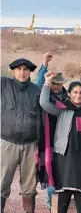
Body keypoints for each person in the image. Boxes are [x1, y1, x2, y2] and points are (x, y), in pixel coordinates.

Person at [40, 72, 81, 213]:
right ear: (69, 94)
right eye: (75, 92)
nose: (78, 95)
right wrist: (46, 83)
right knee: (64, 195)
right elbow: (44, 103)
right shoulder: (62, 109)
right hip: (64, 156)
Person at [1, 58, 41, 213]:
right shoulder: (3, 84)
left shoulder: (37, 90)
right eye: (19, 69)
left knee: (30, 186)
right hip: (7, 143)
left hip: (31, 145)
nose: (22, 72)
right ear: (13, 71)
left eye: (25, 69)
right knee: (1, 182)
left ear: (30, 72)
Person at [34, 52, 69, 212]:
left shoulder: (67, 100)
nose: (56, 86)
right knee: (50, 173)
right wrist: (44, 65)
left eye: (59, 84)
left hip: (65, 142)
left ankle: (63, 204)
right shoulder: (45, 98)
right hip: (48, 141)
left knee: (64, 173)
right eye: (53, 83)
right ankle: (50, 206)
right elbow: (38, 86)